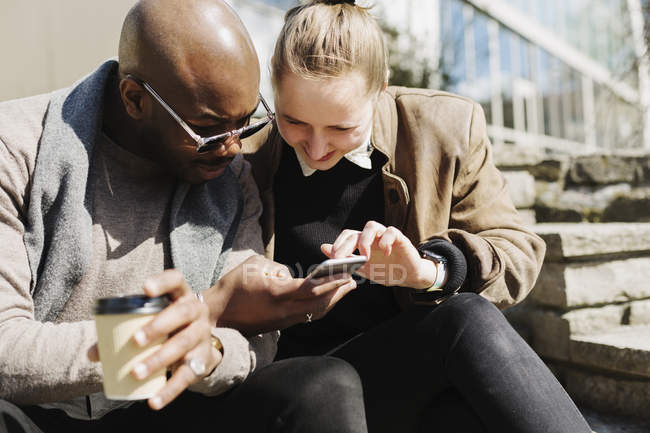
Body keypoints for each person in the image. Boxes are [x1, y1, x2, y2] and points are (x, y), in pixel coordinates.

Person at [0, 1, 366, 432]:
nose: (232, 148)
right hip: (32, 414)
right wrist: (186, 321)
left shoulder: (233, 178)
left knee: (324, 385)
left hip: (169, 404)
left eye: (245, 123)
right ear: (135, 99)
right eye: (208, 130)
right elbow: (7, 347)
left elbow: (255, 342)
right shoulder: (16, 148)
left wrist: (207, 347)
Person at [239, 1, 594, 432]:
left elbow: (516, 251)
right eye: (294, 122)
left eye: (340, 128)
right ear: (273, 90)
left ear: (381, 89)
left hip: (400, 370)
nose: (315, 148)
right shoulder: (247, 161)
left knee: (466, 339)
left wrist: (427, 271)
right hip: (294, 389)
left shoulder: (444, 128)